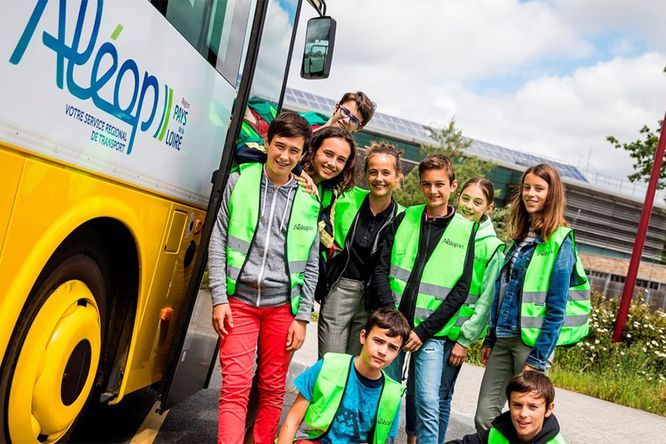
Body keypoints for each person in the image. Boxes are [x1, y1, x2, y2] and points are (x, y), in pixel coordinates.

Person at [208, 112, 321, 444]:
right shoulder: (238, 181)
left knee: (272, 390)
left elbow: (311, 264)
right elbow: (218, 240)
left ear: (303, 156)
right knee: (235, 389)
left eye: (294, 151)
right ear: (267, 142)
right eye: (280, 146)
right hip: (238, 304)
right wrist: (218, 298)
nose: (284, 156)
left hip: (283, 309)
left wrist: (302, 318)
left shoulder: (307, 199)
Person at [474, 164, 591, 431]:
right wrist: (491, 337)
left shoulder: (560, 241)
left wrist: (538, 358)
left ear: (552, 194)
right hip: (503, 338)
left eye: (539, 188)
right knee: (485, 418)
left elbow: (556, 308)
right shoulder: (518, 239)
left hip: (532, 345)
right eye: (527, 187)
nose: (531, 193)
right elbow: (501, 294)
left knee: (525, 423)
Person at [372, 154, 477, 444]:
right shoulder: (406, 217)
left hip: (430, 333)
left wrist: (424, 330)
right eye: (427, 184)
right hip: (394, 325)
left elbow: (462, 288)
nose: (433, 190)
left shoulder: (466, 229)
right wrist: (391, 316)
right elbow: (381, 267)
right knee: (389, 394)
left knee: (428, 402)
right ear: (420, 185)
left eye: (440, 184)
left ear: (453, 186)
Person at [405, 178, 505, 443]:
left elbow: (487, 300)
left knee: (439, 395)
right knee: (416, 392)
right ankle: (413, 438)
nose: (469, 206)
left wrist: (465, 340)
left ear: (490, 208)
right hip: (431, 325)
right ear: (457, 196)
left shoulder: (492, 247)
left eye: (478, 202)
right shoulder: (449, 231)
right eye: (466, 199)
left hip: (455, 335)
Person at [318, 142, 405, 358]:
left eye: (386, 173)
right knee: (331, 361)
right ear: (366, 174)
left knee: (357, 365)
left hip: (372, 301)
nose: (379, 178)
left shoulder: (405, 217)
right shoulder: (346, 198)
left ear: (397, 176)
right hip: (340, 288)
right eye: (373, 172)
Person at [277, 307, 410, 444]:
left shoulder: (392, 394)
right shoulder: (328, 365)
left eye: (392, 347)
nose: (383, 351)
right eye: (378, 341)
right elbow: (291, 422)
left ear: (398, 353)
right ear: (363, 336)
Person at [235, 91, 375, 166]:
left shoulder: (343, 154)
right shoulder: (311, 118)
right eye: (345, 112)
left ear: (358, 128)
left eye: (354, 120)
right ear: (337, 107)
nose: (346, 120)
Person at [448, 371, 565, 444]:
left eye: (533, 407)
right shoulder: (497, 435)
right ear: (509, 405)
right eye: (517, 405)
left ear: (549, 409)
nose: (523, 414)